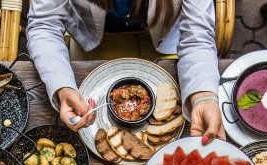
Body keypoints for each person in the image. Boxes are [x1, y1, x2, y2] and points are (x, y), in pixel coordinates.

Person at [27, 0, 226, 143]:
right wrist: (63, 87)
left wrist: (203, 97)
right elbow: (44, 25)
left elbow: (197, 36)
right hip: (93, 41)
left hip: (163, 41)